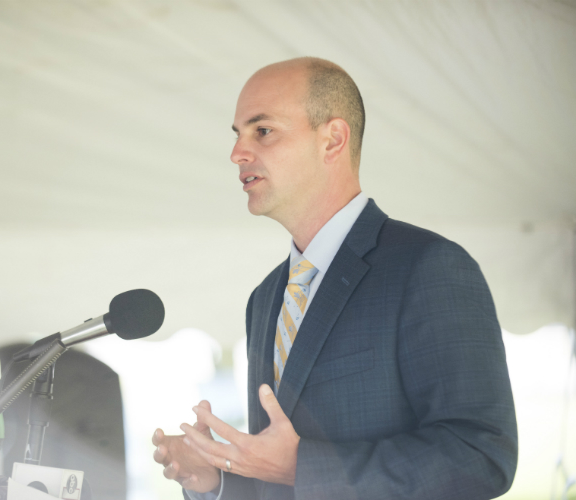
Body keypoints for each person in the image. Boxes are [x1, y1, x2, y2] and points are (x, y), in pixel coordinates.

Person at [152, 57, 518, 500]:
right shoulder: (265, 298)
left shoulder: (429, 267)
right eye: (237, 136)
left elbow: (481, 457)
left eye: (262, 131)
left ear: (333, 140)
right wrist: (218, 477)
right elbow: (279, 480)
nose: (237, 153)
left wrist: (301, 465)